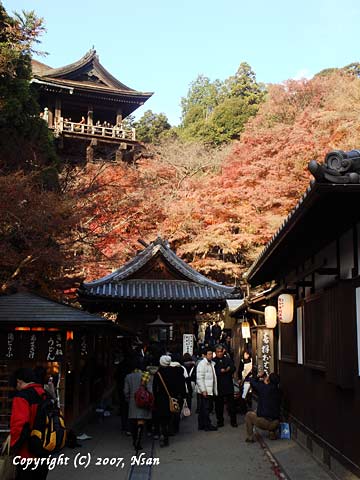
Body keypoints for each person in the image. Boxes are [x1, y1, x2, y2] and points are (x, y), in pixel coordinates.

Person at [10, 368, 49, 479]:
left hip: (27, 453)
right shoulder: (44, 394)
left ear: (19, 381)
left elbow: (20, 426)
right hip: (43, 451)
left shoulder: (21, 397)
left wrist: (13, 447)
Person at [152, 355, 186, 447]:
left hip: (161, 399)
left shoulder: (158, 374)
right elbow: (180, 384)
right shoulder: (175, 371)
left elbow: (154, 389)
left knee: (162, 418)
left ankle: (164, 434)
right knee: (170, 416)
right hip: (173, 398)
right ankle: (169, 431)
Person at [124, 361, 153, 450]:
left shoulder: (128, 376)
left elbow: (126, 391)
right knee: (141, 421)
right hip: (143, 402)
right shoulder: (146, 376)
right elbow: (150, 390)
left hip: (133, 402)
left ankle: (134, 439)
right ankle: (139, 441)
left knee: (133, 423)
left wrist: (129, 400)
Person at [245, 372, 281, 442]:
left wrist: (258, 376)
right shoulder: (279, 391)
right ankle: (272, 433)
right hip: (276, 422)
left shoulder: (263, 388)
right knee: (267, 410)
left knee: (249, 415)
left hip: (264, 422)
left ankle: (250, 437)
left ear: (269, 380)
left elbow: (252, 382)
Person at [213, 345, 237, 427]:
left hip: (228, 385)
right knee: (219, 406)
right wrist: (220, 371)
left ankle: (233, 421)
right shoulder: (213, 361)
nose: (219, 353)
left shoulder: (227, 359)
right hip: (218, 386)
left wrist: (228, 369)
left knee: (231, 405)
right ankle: (220, 421)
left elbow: (234, 368)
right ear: (215, 352)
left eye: (220, 352)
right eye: (218, 352)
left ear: (223, 351)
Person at [196, 347, 218, 431]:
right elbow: (199, 378)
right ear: (205, 355)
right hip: (205, 390)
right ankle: (207, 425)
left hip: (210, 389)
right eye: (209, 354)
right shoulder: (202, 364)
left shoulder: (212, 363)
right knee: (206, 409)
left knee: (204, 408)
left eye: (211, 354)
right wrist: (203, 390)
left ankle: (202, 425)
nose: (211, 356)